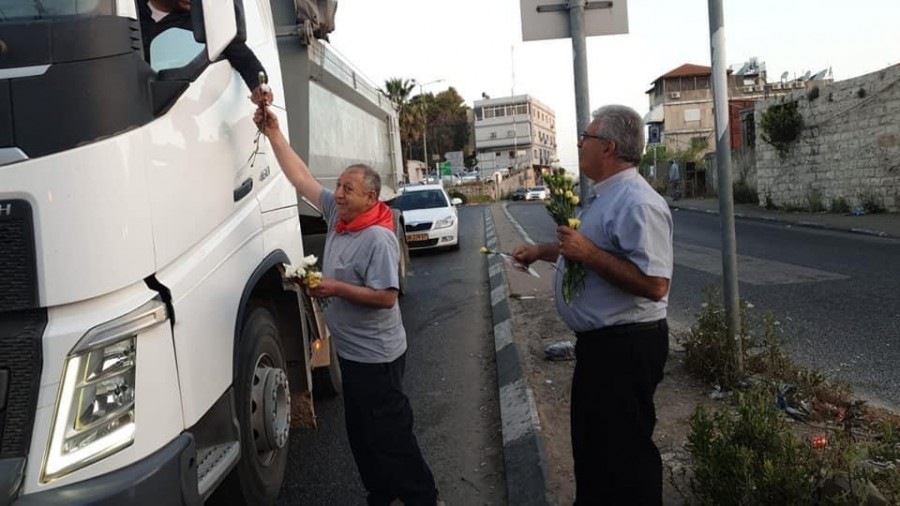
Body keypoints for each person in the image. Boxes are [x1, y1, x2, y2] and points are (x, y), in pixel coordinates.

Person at [253, 106, 439, 506]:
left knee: (391, 435)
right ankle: (381, 494)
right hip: (352, 354)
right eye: (337, 186)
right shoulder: (338, 215)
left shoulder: (378, 238)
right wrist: (274, 134)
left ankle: (423, 497)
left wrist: (334, 287)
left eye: (347, 189)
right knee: (360, 435)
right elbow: (300, 177)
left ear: (370, 197)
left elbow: (386, 297)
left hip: (379, 359)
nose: (337, 193)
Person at [513, 105, 673, 505]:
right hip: (603, 348)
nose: (579, 144)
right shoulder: (605, 196)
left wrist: (588, 254)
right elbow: (586, 249)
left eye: (585, 137)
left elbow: (655, 285)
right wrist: (542, 251)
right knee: (595, 449)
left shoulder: (638, 203)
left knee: (625, 456)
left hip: (627, 347)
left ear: (609, 147)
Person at [138, 0, 273, 106]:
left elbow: (239, 52)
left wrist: (258, 86)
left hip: (175, 103)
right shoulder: (126, 9)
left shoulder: (201, 18)